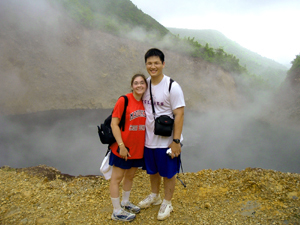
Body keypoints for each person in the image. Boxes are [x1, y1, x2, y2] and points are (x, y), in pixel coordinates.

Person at [138, 48, 185, 220]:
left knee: (168, 172)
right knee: (153, 171)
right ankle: (154, 195)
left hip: (166, 141)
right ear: (146, 65)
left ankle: (167, 201)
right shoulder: (145, 84)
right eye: (149, 63)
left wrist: (176, 141)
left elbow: (179, 113)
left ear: (163, 64)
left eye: (156, 63)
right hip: (149, 139)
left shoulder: (172, 86)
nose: (153, 66)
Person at [109, 74, 147, 222]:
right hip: (123, 148)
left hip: (138, 149)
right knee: (116, 179)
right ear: (132, 85)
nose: (139, 85)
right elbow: (114, 124)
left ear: (145, 86)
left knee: (130, 176)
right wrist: (121, 146)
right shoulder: (124, 100)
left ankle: (125, 202)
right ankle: (116, 211)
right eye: (136, 83)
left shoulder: (146, 103)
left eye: (142, 83)